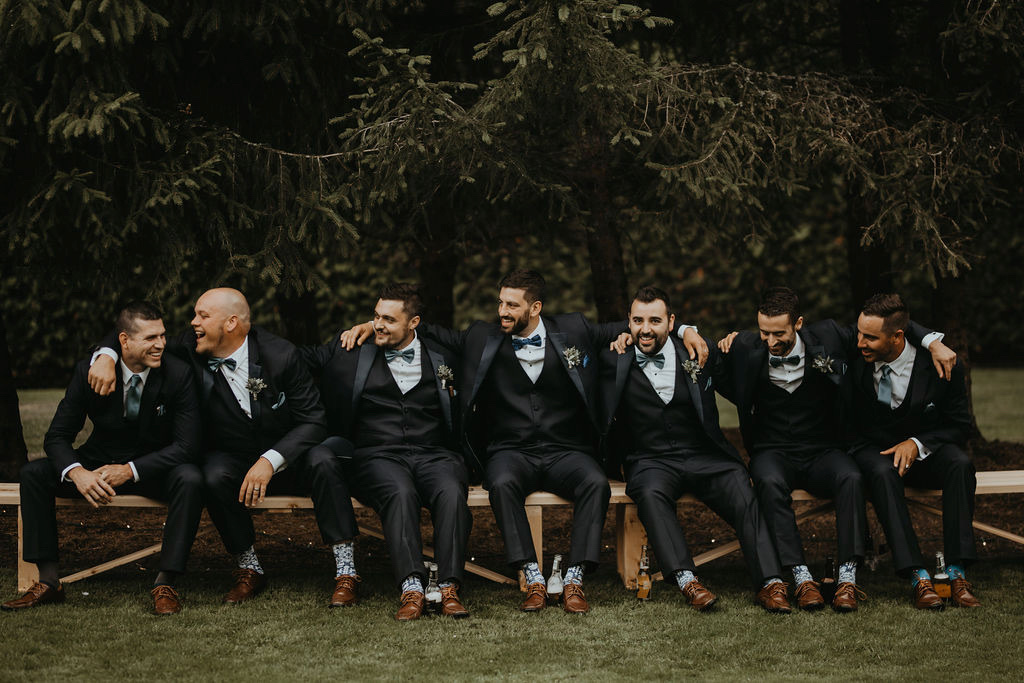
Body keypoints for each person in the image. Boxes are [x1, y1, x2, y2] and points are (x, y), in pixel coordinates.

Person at [342, 270, 707, 613]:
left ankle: (574, 578)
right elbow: (424, 330)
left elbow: (639, 327)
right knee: (500, 483)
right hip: (510, 451)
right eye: (501, 303)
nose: (502, 312)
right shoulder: (481, 337)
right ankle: (531, 576)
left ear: (535, 308)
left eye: (512, 305)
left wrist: (686, 329)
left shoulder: (574, 329)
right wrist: (370, 325)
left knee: (594, 482)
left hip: (566, 449)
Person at [87, 288, 350, 607]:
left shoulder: (280, 355)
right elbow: (138, 334)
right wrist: (106, 354)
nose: (193, 322)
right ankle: (249, 568)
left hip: (290, 459)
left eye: (203, 316)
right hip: (234, 461)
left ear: (231, 323)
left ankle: (345, 571)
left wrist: (269, 461)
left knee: (324, 459)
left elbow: (313, 420)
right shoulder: (190, 347)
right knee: (212, 474)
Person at [714, 286, 954, 612]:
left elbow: (887, 324)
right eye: (763, 332)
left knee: (851, 477)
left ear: (798, 323)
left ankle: (847, 580)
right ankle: (802, 579)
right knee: (768, 482)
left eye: (778, 333)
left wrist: (931, 341)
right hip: (772, 449)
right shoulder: (744, 345)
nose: (769, 342)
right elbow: (706, 361)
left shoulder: (828, 335)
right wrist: (695, 336)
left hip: (822, 448)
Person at [2, 302, 202, 615]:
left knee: (190, 477)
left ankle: (166, 582)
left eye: (162, 335)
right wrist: (77, 472)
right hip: (97, 466)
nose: (162, 343)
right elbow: (56, 437)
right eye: (151, 338)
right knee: (34, 474)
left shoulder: (178, 374)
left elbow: (186, 446)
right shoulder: (89, 371)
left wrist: (131, 470)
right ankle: (50, 582)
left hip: (152, 470)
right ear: (124, 341)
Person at [602, 286, 793, 612]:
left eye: (655, 320)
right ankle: (688, 580)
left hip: (705, 455)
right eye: (637, 320)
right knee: (649, 494)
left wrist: (690, 332)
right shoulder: (614, 359)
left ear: (671, 321)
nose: (645, 329)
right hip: (650, 459)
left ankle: (771, 582)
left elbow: (747, 383)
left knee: (741, 490)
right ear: (628, 323)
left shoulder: (699, 352)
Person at [301, 283, 471, 620]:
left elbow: (489, 345)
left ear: (414, 323)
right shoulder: (350, 350)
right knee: (399, 491)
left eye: (388, 319)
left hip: (435, 453)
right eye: (375, 316)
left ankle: (448, 587)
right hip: (378, 454)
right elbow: (295, 359)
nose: (378, 324)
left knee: (452, 491)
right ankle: (412, 587)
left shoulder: (443, 356)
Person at [847, 293, 979, 609]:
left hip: (925, 448)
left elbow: (961, 426)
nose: (860, 343)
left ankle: (956, 573)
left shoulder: (942, 365)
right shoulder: (855, 355)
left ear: (897, 337)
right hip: (873, 449)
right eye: (859, 333)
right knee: (881, 472)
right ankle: (918, 577)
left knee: (960, 464)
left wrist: (917, 444)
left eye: (870, 338)